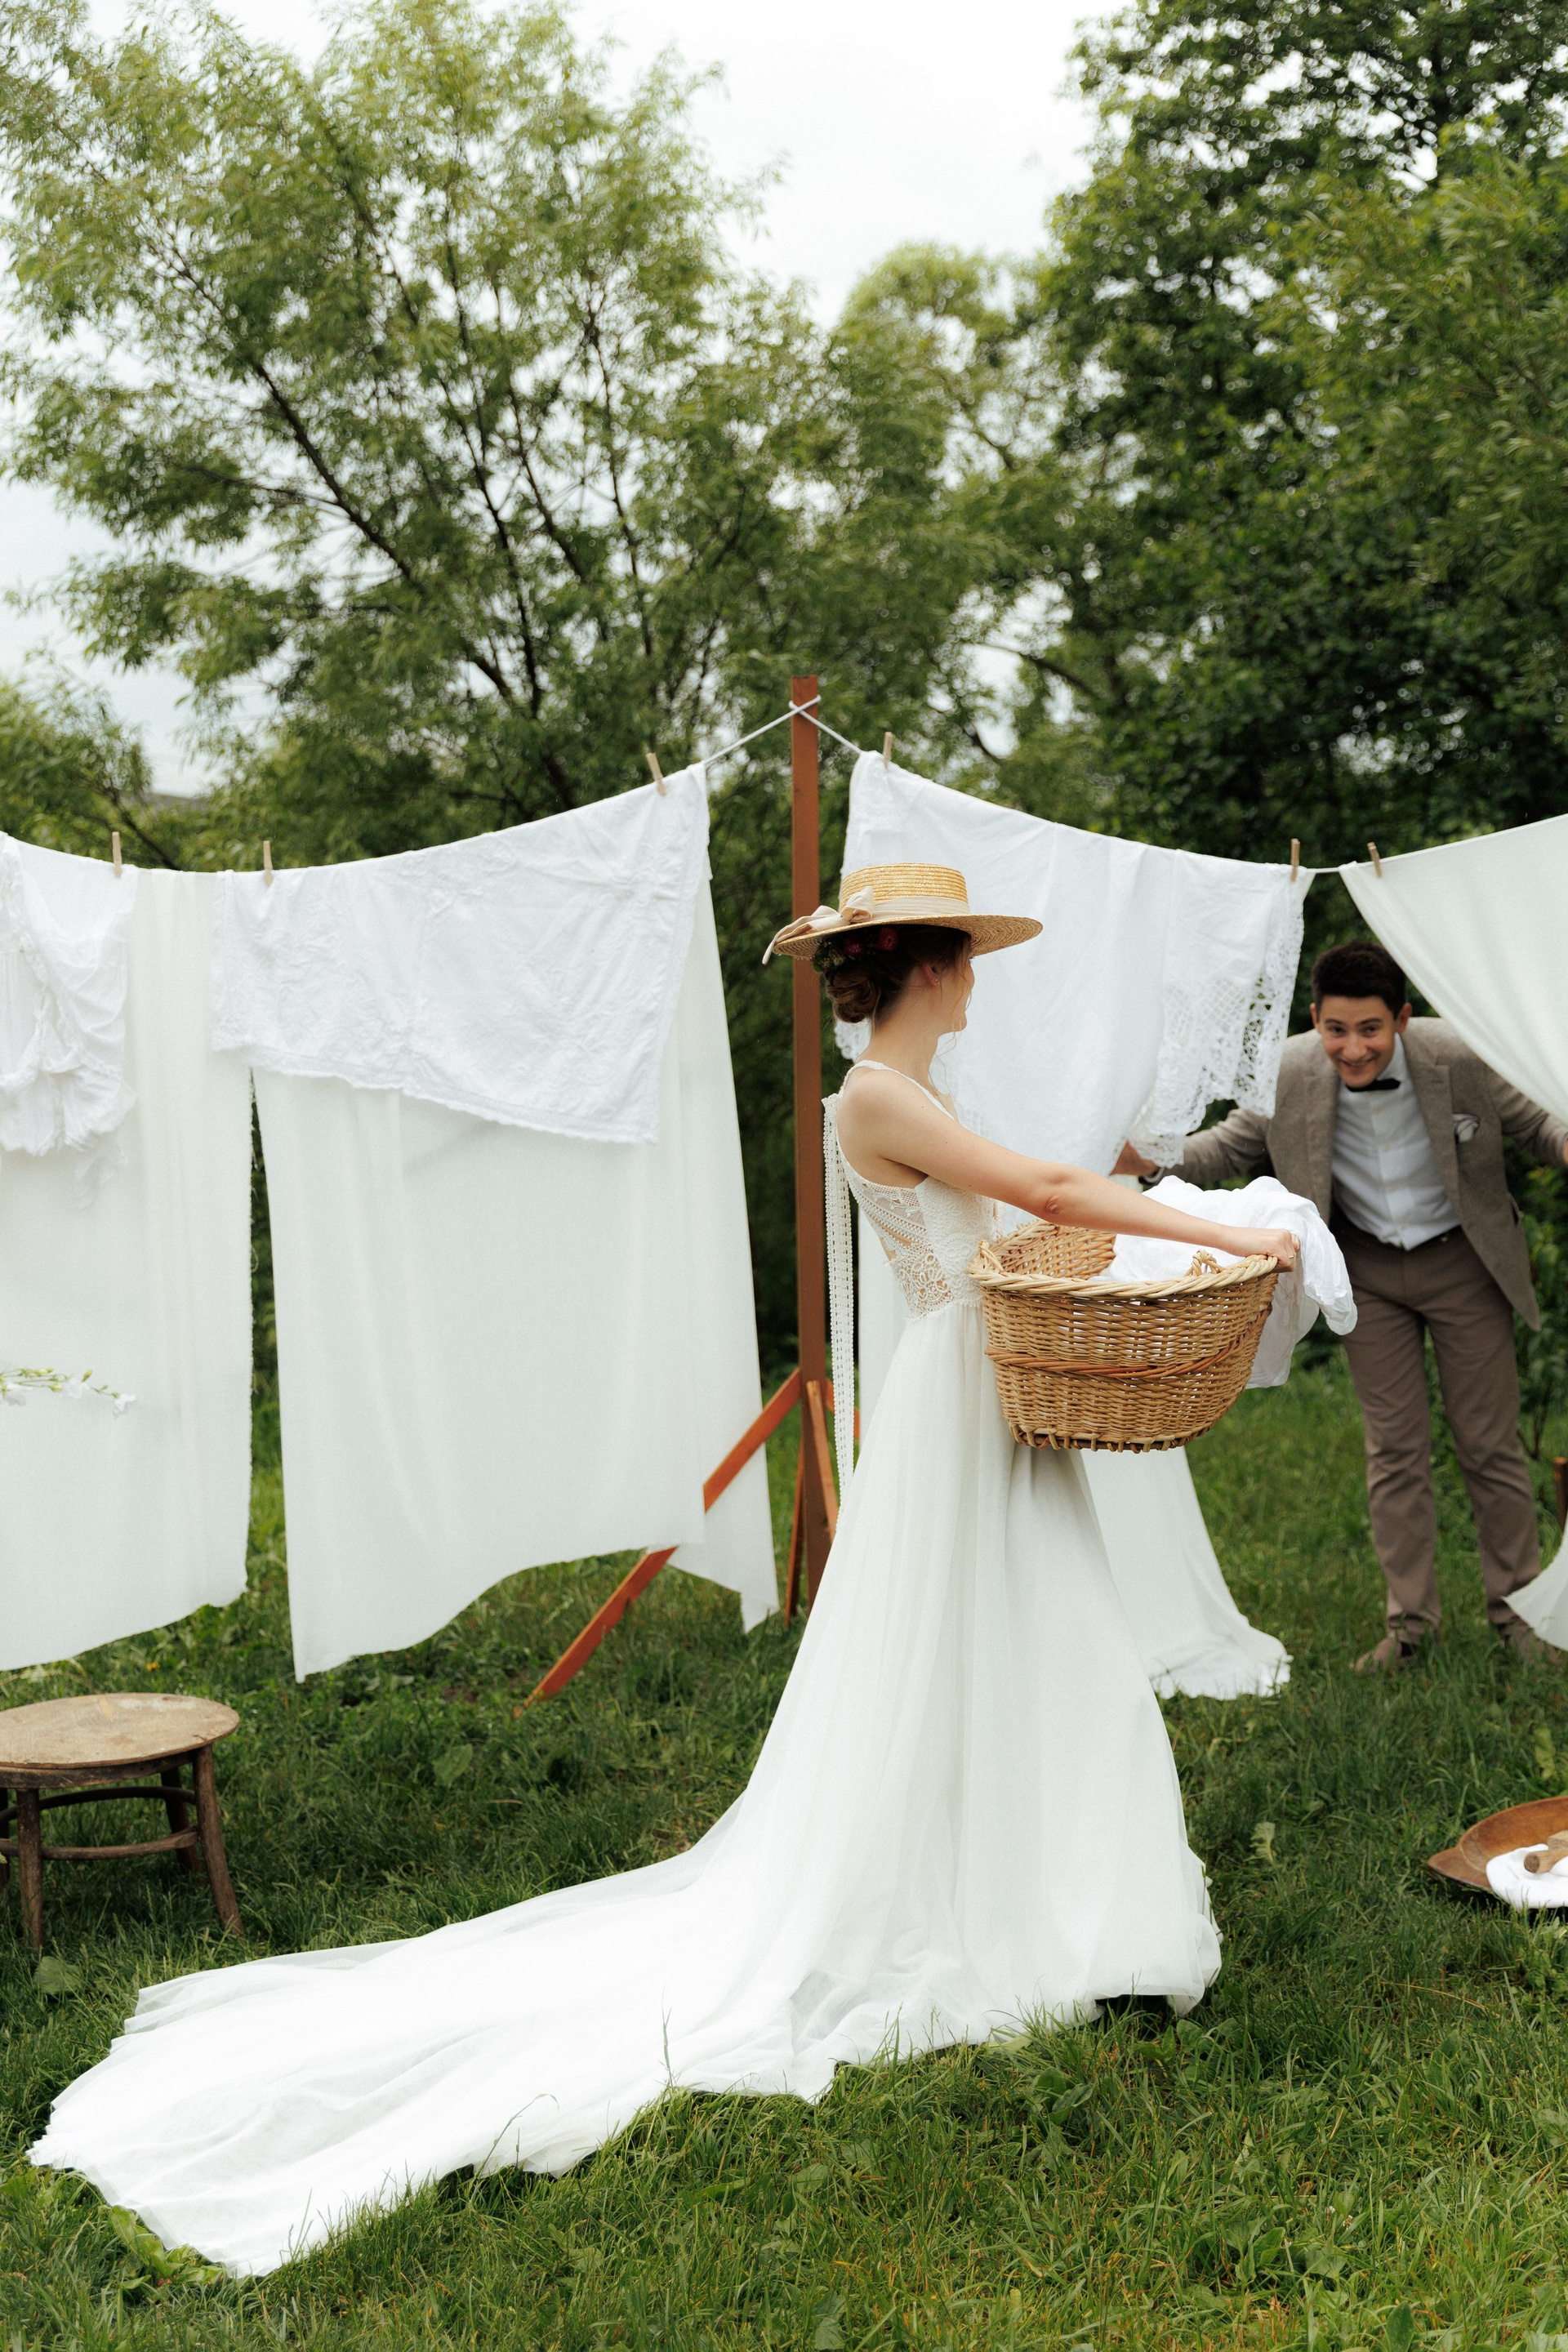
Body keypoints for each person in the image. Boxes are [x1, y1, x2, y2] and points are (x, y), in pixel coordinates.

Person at [33, 862, 1300, 2277]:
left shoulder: (913, 1089)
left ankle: (1050, 1887)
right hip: (957, 1396)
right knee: (1010, 1629)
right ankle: (1028, 1904)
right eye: (970, 960)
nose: (979, 982)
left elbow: (1029, 1214)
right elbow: (1049, 1186)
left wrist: (1132, 1251)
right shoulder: (880, 1095)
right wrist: (1225, 1230)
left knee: (1040, 1636)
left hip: (975, 1384)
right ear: (935, 966)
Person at [1119, 939, 1568, 1672]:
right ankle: (1410, 1628)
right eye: (1336, 1030)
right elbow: (1225, 1149)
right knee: (1394, 1448)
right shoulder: (1289, 1071)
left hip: (1464, 1264)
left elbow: (1540, 1125)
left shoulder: (1462, 1054)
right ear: (1314, 1020)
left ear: (1403, 1019)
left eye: (1369, 1030)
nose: (1353, 1049)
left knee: (1489, 1445)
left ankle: (1516, 1618)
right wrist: (1143, 1157)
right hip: (1366, 1273)